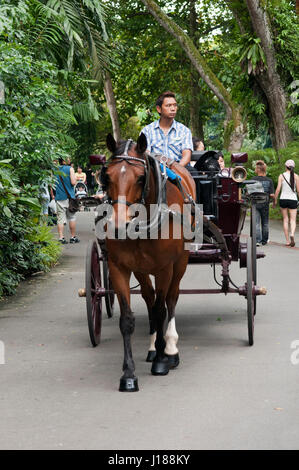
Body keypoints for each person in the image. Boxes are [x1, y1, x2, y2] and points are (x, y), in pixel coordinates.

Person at [141, 91, 199, 201]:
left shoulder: (184, 130)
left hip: (179, 167)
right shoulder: (147, 131)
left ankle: (196, 210)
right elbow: (146, 154)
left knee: (195, 174)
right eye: (168, 106)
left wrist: (176, 169)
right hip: (155, 169)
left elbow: (186, 156)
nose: (173, 108)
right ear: (159, 109)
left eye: (175, 105)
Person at [274, 159, 299, 247]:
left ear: (286, 167)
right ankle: (292, 233)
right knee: (293, 220)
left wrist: (275, 200)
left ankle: (288, 241)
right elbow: (298, 191)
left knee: (285, 219)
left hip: (283, 199)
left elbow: (277, 190)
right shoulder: (296, 176)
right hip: (293, 199)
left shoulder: (281, 176)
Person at [55, 157, 80, 244]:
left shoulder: (55, 170)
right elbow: (73, 182)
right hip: (69, 197)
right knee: (72, 217)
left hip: (59, 197)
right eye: (68, 158)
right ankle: (73, 237)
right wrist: (75, 180)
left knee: (60, 219)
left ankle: (61, 237)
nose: (70, 159)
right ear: (64, 160)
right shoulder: (70, 169)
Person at [251, 160, 275, 246]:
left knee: (256, 223)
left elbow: (249, 193)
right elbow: (272, 195)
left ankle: (258, 240)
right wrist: (274, 202)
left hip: (255, 203)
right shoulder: (269, 180)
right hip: (265, 203)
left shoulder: (253, 179)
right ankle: (265, 240)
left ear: (257, 170)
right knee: (265, 223)